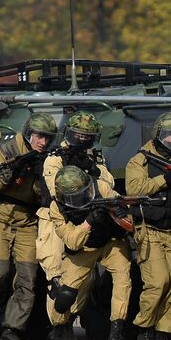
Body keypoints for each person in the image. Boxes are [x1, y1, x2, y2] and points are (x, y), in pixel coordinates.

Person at [0, 113, 57, 340]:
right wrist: (13, 170)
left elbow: (45, 195)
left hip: (26, 220)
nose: (43, 142)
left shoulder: (46, 157)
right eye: (39, 137)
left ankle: (12, 330)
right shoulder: (3, 150)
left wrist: (41, 174)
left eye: (47, 138)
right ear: (29, 133)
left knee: (27, 279)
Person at [44, 166, 134, 340]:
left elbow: (126, 214)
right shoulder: (56, 207)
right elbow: (72, 241)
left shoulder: (101, 187)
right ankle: (58, 333)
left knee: (123, 280)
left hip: (110, 242)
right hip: (84, 247)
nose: (81, 199)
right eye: (74, 197)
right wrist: (89, 221)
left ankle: (115, 336)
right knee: (66, 293)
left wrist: (120, 211)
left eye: (84, 193)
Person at [36, 112, 116, 321]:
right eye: (78, 135)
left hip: (84, 218)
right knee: (56, 278)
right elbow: (56, 191)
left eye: (86, 137)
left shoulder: (95, 158)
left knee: (84, 278)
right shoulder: (54, 158)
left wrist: (93, 170)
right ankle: (58, 329)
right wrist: (71, 169)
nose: (82, 140)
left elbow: (109, 185)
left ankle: (69, 320)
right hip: (56, 216)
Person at [124, 112, 171, 340]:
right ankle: (145, 330)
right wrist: (165, 179)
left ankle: (165, 334)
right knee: (157, 283)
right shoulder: (140, 161)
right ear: (159, 135)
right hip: (150, 230)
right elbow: (134, 191)